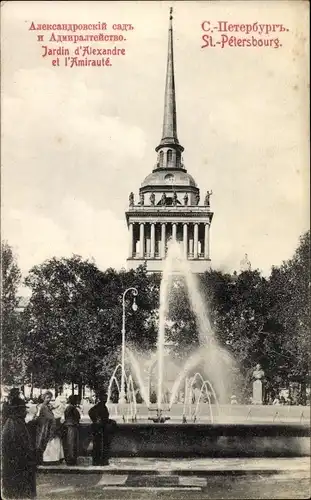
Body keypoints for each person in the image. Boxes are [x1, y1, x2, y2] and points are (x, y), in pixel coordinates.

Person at [2, 396, 37, 499]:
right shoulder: (14, 424)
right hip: (19, 467)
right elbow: (20, 446)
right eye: (23, 409)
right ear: (17, 410)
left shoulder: (15, 422)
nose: (25, 412)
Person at [35, 391, 64, 465]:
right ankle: (48, 460)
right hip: (45, 426)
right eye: (47, 398)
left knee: (51, 441)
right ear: (44, 398)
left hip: (48, 425)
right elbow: (50, 417)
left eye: (50, 398)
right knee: (47, 441)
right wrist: (56, 419)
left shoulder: (47, 406)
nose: (49, 399)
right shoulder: (43, 407)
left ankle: (53, 459)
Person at [88, 391, 116, 466]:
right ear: (101, 398)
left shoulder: (102, 406)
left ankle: (98, 461)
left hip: (101, 428)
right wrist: (96, 420)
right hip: (100, 429)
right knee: (99, 445)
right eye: (104, 398)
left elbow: (104, 417)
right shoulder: (100, 406)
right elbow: (91, 412)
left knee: (99, 445)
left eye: (106, 398)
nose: (105, 399)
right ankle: (99, 461)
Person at [62, 395, 80, 466]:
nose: (78, 401)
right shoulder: (72, 408)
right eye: (77, 400)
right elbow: (77, 417)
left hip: (68, 426)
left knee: (69, 444)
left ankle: (69, 460)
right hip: (72, 427)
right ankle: (72, 460)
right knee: (72, 444)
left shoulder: (68, 407)